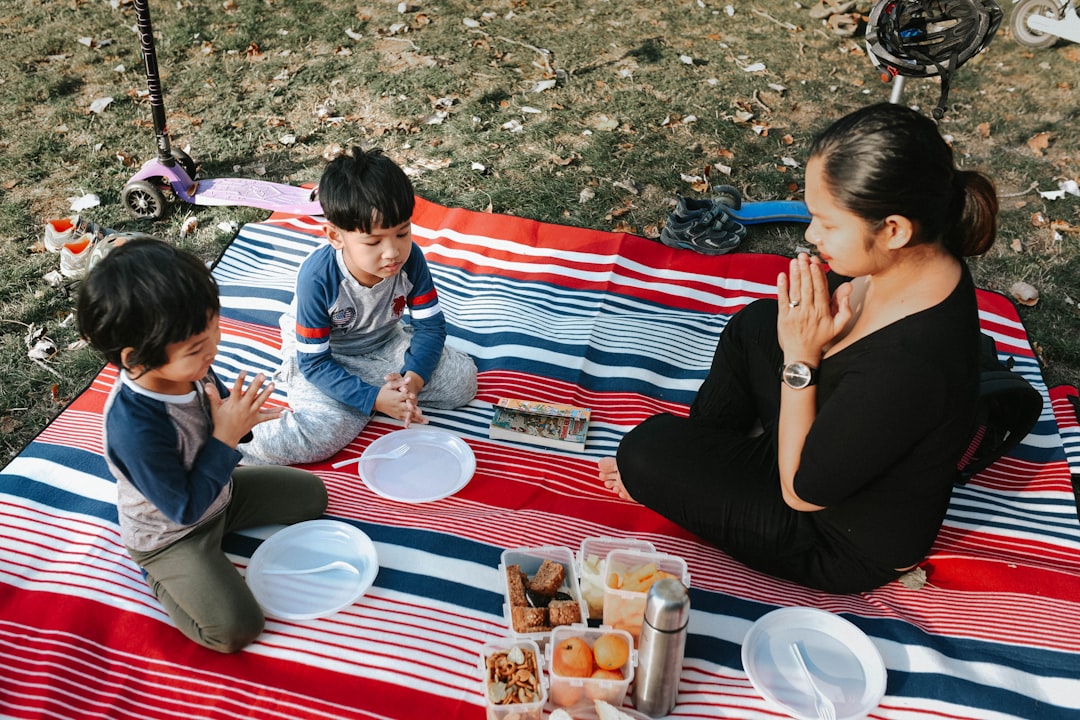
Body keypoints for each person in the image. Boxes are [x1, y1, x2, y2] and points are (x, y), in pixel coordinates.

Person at [598, 103, 998, 594]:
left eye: (828, 224)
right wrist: (806, 337)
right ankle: (707, 461)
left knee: (644, 452)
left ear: (894, 229)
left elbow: (801, 493)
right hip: (831, 434)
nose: (811, 236)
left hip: (833, 534)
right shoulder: (918, 262)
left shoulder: (911, 364)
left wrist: (801, 359)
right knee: (758, 323)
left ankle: (691, 475)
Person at [76, 238, 328, 652]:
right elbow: (185, 507)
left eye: (214, 330)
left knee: (312, 496)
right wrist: (226, 436)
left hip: (221, 494)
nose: (214, 348)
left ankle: (221, 531)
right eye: (197, 347)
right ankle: (161, 576)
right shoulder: (134, 427)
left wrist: (240, 420)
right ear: (136, 359)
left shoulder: (193, 370)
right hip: (173, 534)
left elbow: (227, 428)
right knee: (235, 630)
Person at [241, 147, 478, 465]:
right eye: (373, 242)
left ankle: (369, 392)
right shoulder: (318, 277)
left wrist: (413, 380)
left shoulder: (411, 260)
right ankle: (235, 444)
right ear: (335, 236)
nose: (392, 252)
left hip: (384, 341)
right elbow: (314, 364)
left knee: (462, 383)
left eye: (402, 233)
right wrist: (375, 398)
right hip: (328, 358)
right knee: (322, 434)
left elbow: (431, 326)